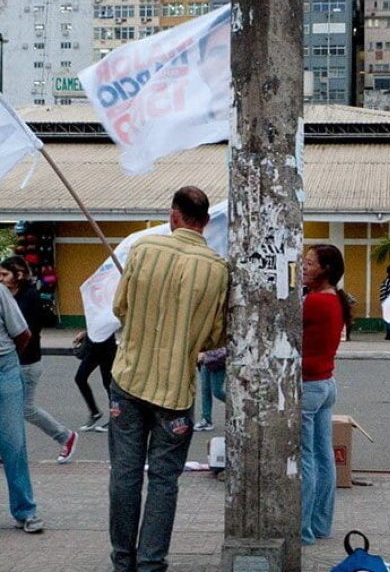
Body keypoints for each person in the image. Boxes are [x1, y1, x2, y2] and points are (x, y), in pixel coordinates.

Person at [108, 186, 228, 571]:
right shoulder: (217, 269)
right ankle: (151, 563)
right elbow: (214, 337)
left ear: (173, 214)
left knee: (126, 474)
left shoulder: (143, 250)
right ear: (205, 222)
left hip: (127, 381)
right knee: (164, 480)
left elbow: (119, 307)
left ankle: (122, 560)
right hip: (176, 392)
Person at [0, 256, 78, 463]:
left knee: (25, 409)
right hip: (12, 361)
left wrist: (12, 355)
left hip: (26, 363)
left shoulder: (30, 298)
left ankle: (65, 436)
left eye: (5, 274)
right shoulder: (10, 296)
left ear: (19, 275)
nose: (1, 279)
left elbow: (26, 333)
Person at [301, 244, 352, 545]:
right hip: (326, 384)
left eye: (309, 263)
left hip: (308, 386)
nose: (304, 267)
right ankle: (320, 524)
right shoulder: (335, 300)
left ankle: (303, 530)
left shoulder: (315, 302)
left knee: (307, 458)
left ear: (326, 270)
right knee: (324, 457)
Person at [0, 277, 44, 532]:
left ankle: (26, 510)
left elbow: (23, 333)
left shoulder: (1, 293)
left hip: (4, 367)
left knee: (13, 443)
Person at [72, 330, 118, 432]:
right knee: (80, 378)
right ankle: (95, 412)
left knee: (109, 384)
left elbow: (108, 322)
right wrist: (85, 332)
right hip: (93, 347)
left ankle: (115, 419)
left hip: (107, 347)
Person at [194, 347, 226, 431]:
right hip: (205, 361)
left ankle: (236, 406)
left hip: (218, 361)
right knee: (205, 390)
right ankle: (206, 419)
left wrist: (205, 355)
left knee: (217, 391)